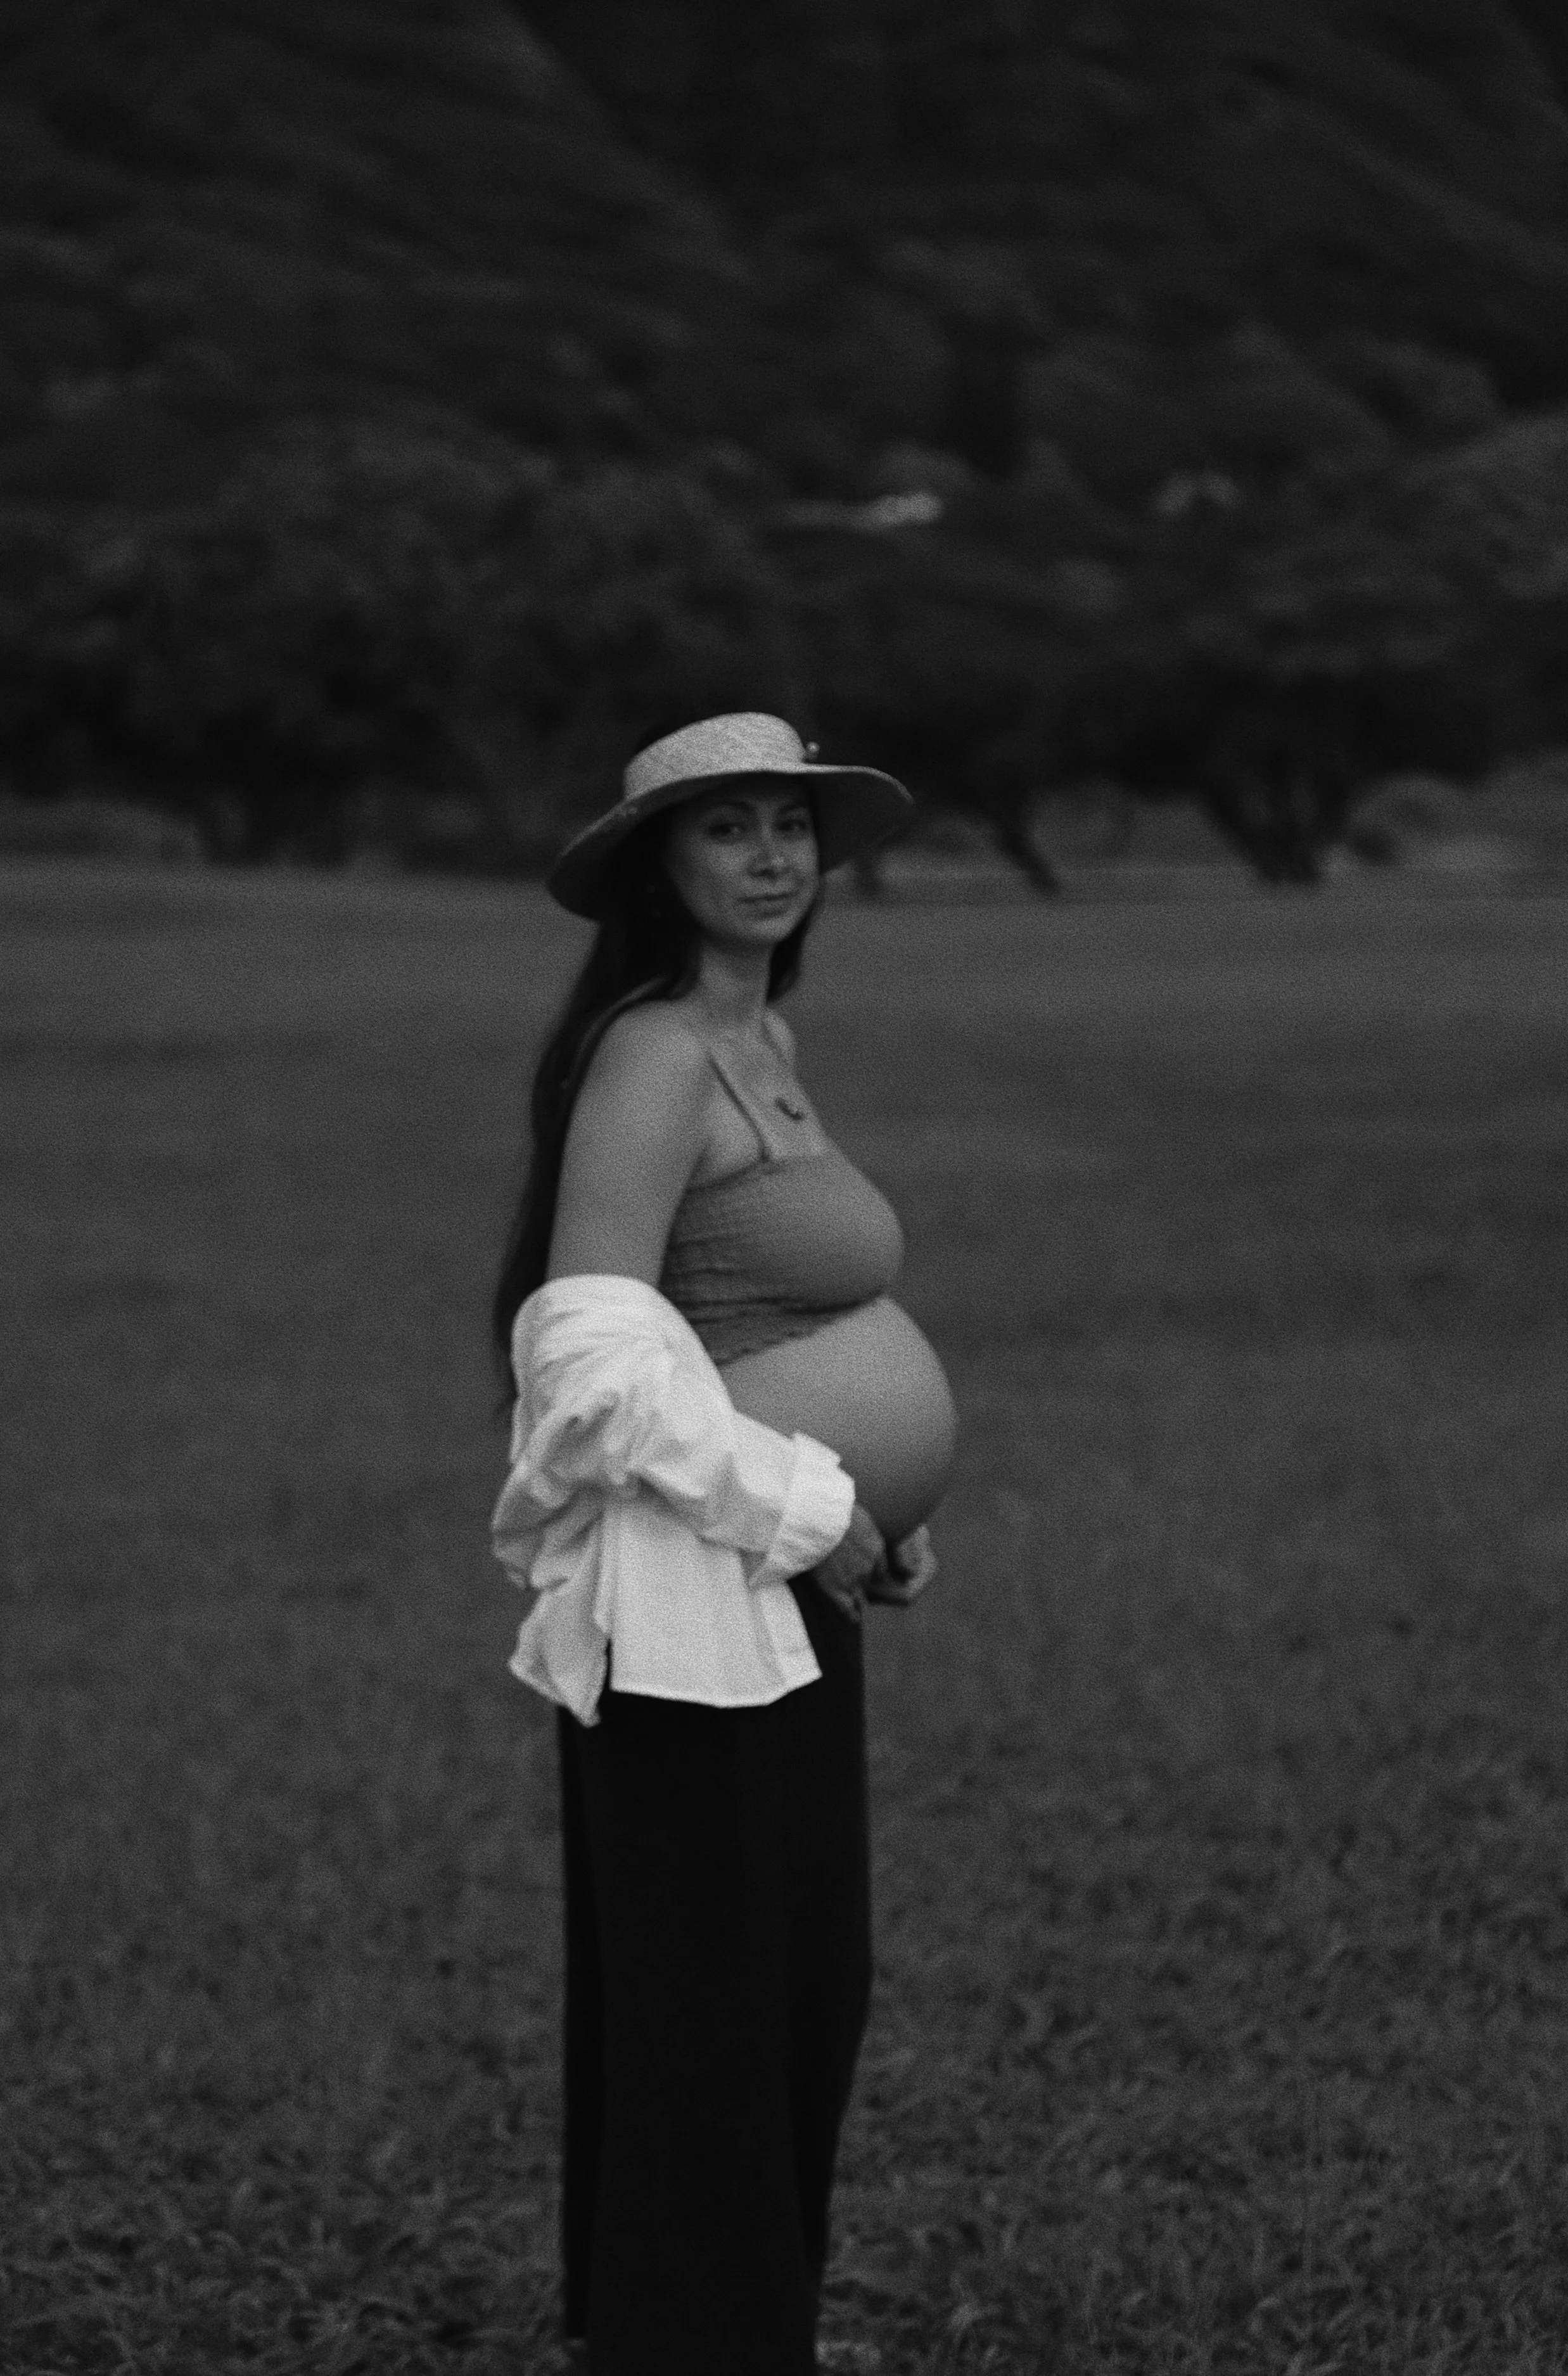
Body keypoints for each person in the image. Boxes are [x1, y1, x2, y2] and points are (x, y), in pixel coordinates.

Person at [489, 712, 958, 2375]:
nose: (770, 855)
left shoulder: (757, 1035)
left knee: (797, 1980)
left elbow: (756, 1320)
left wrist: (873, 1521)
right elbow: (588, 1366)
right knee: (717, 1997)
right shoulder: (655, 1057)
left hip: (786, 1589)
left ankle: (720, 2332)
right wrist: (814, 1505)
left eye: (791, 823)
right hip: (696, 1602)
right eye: (726, 828)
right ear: (656, 865)